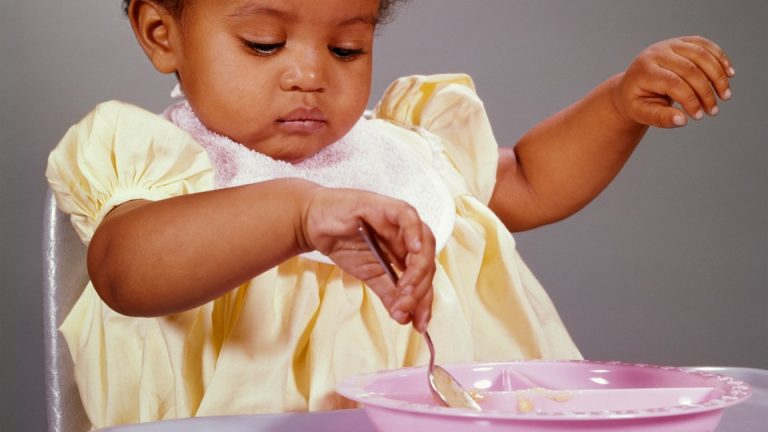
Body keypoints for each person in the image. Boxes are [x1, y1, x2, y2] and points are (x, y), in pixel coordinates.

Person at [46, 0, 735, 427]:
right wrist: (295, 215)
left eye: (347, 47)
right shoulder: (162, 163)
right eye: (263, 42)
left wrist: (617, 106)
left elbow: (526, 178)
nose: (310, 73)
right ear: (162, 32)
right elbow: (123, 272)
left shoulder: (403, 149)